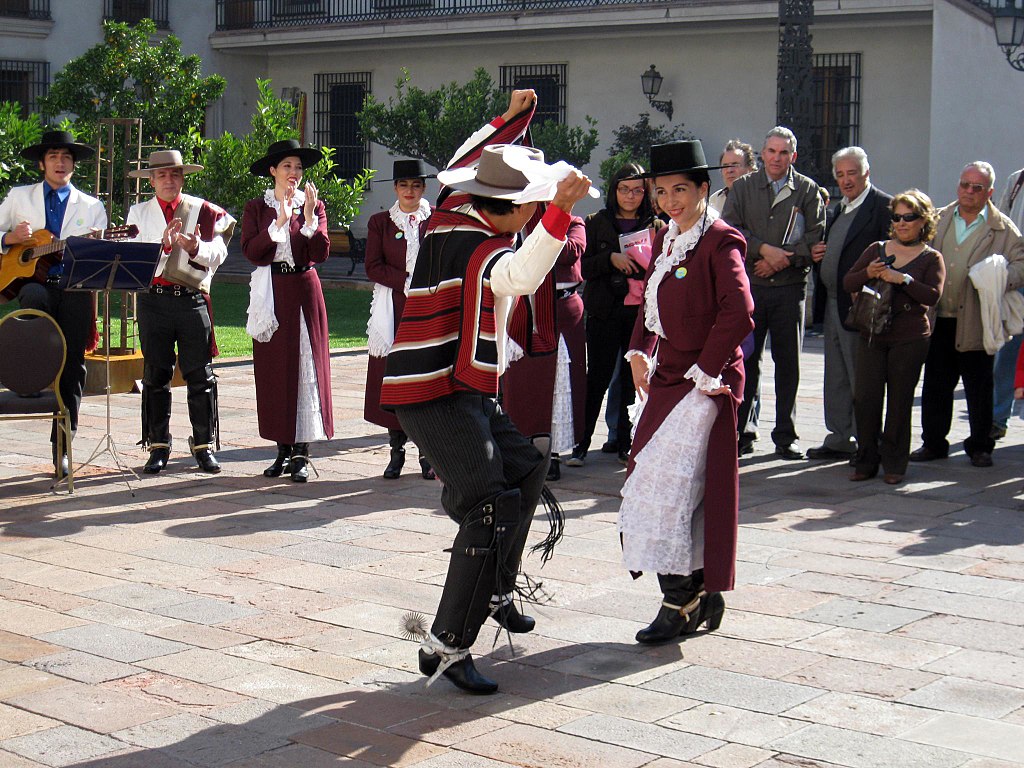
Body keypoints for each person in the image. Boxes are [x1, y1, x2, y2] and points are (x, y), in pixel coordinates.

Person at [380, 90, 594, 695]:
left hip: (455, 386)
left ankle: (496, 586)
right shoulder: (482, 247)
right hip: (432, 393)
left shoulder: (452, 205)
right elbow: (525, 276)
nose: (530, 216)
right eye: (525, 208)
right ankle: (445, 645)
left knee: (526, 467)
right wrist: (558, 210)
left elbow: (472, 153)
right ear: (508, 210)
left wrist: (511, 117)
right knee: (487, 505)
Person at [620, 140, 753, 644]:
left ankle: (680, 600)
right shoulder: (667, 238)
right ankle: (698, 590)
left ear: (704, 188)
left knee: (667, 489)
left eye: (681, 189)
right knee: (661, 485)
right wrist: (638, 350)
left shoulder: (722, 241)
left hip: (708, 381)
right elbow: (649, 305)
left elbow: (738, 313)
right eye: (662, 191)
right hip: (669, 376)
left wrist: (704, 369)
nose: (671, 199)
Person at [0, 130, 107, 478]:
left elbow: (101, 256)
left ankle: (62, 446)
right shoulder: (18, 197)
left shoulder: (92, 207)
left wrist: (88, 247)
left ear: (74, 165)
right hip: (34, 287)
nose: (60, 163)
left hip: (74, 288)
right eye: (54, 157)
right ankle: (34, 364)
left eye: (66, 158)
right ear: (42, 163)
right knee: (32, 296)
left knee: (74, 364)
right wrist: (9, 238)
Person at [126, 150, 236, 475]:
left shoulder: (202, 209)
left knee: (200, 375)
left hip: (191, 299)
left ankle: (203, 446)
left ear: (182, 177)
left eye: (174, 174)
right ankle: (158, 446)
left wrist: (195, 248)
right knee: (155, 375)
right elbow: (132, 259)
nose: (169, 180)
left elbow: (220, 252)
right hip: (153, 300)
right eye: (162, 175)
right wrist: (162, 246)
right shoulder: (138, 212)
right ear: (151, 180)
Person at [910, 162, 1024, 468]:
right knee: (936, 383)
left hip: (976, 319)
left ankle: (980, 446)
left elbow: (1020, 265)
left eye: (976, 188)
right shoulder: (941, 218)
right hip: (940, 316)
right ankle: (933, 442)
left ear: (989, 192)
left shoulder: (1002, 227)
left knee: (979, 385)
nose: (968, 192)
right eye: (964, 185)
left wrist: (996, 277)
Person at [722, 126, 825, 459]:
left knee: (788, 364)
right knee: (746, 360)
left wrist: (780, 262)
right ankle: (740, 431)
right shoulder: (743, 188)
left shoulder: (807, 191)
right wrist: (763, 249)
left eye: (784, 152)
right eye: (771, 151)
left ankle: (786, 435)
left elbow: (815, 241)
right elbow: (731, 231)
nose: (777, 158)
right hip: (751, 287)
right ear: (762, 154)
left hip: (789, 289)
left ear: (792, 156)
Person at [242, 139, 333, 483]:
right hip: (272, 293)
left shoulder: (314, 205)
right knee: (275, 371)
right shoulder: (257, 207)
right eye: (287, 167)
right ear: (273, 171)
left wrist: (308, 219)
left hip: (304, 291)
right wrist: (278, 222)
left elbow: (320, 253)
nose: (294, 173)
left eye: (298, 167)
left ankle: (301, 453)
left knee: (305, 367)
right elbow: (252, 250)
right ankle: (281, 448)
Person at [843, 190, 945, 484]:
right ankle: (865, 459)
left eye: (909, 217)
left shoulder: (930, 257)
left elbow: (933, 296)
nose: (902, 223)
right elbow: (848, 280)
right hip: (873, 333)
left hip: (909, 337)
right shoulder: (876, 249)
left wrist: (904, 279)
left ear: (923, 221)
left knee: (900, 401)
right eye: (897, 217)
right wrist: (868, 272)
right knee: (865, 398)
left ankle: (895, 463)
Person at [567, 162, 665, 467]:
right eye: (624, 189)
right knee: (596, 377)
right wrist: (611, 259)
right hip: (604, 309)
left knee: (632, 380)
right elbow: (581, 267)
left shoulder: (657, 225)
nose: (630, 196)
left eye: (637, 190)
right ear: (614, 190)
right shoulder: (596, 222)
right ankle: (580, 444)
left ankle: (626, 442)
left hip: (639, 313)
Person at [806, 147, 892, 462]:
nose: (846, 180)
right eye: (840, 175)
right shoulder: (839, 209)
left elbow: (890, 256)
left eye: (851, 173)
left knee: (862, 376)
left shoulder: (882, 206)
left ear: (866, 172)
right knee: (836, 374)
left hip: (861, 305)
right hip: (832, 303)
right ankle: (840, 436)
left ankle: (868, 440)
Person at [501, 215, 587, 481]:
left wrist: (544, 232)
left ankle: (553, 453)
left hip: (563, 311)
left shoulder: (574, 223)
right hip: (526, 308)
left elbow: (571, 252)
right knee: (525, 383)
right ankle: (522, 446)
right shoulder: (517, 220)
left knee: (561, 383)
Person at [364, 159, 435, 480]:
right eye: (404, 185)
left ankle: (427, 454)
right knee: (394, 379)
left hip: (429, 306)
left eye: (416, 185)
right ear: (395, 188)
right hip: (393, 306)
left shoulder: (435, 222)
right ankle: (396, 452)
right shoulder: (380, 222)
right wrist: (405, 279)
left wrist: (426, 283)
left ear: (424, 188)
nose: (410, 191)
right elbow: (373, 266)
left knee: (424, 378)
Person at [990, 164, 1024, 441]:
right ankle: (997, 417)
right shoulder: (1017, 180)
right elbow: (1000, 223)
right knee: (1006, 353)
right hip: (1019, 280)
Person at [709, 139, 758, 214]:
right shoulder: (715, 200)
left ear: (750, 169)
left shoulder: (761, 198)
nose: (729, 170)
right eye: (725, 166)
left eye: (735, 165)